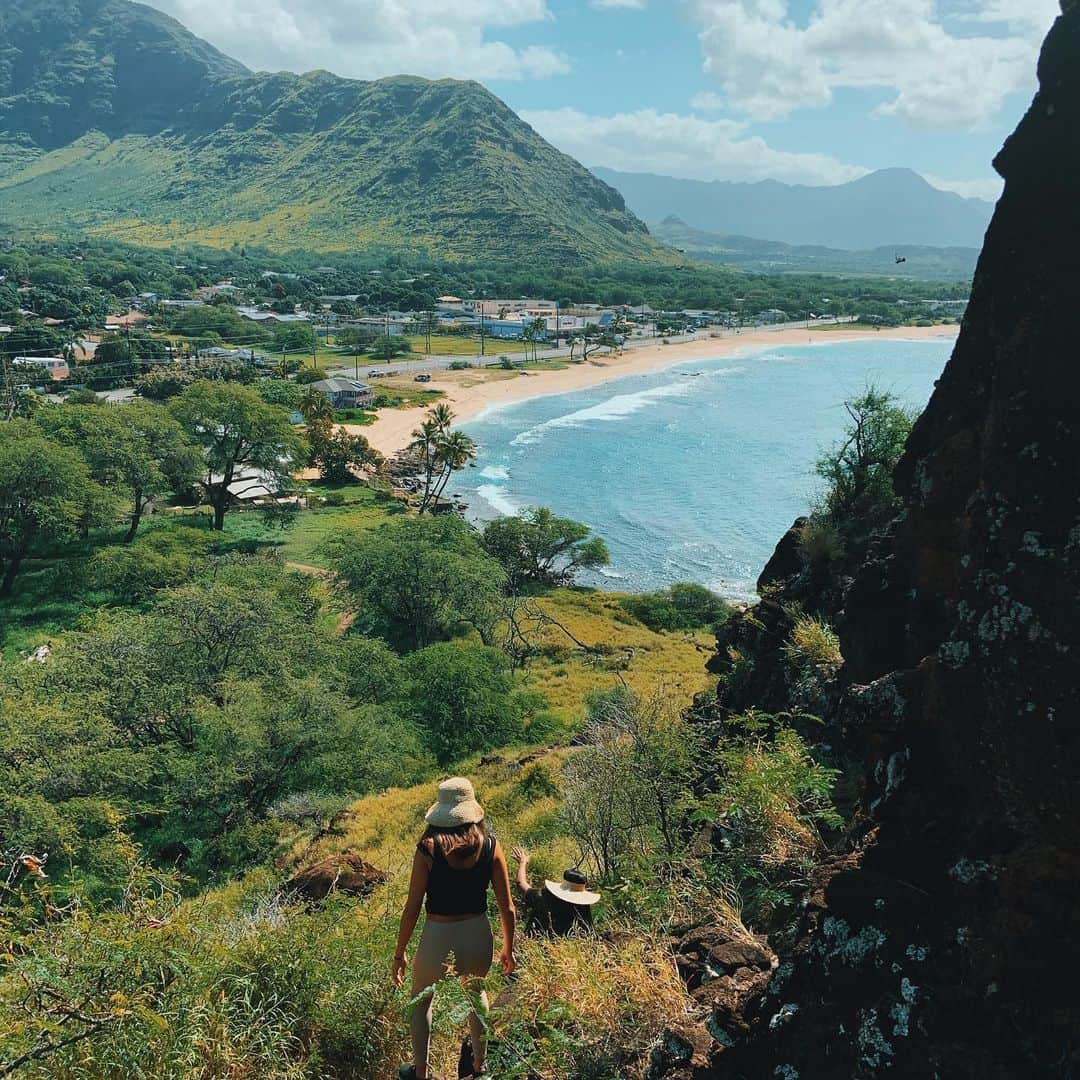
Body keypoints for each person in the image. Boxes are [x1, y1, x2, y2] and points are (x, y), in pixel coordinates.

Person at [394, 778, 516, 1080]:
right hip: (477, 932)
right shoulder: (490, 846)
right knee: (477, 995)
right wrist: (508, 948)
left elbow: (411, 909)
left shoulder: (427, 850)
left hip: (439, 933)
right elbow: (507, 907)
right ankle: (480, 1068)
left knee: (421, 1001)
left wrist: (399, 954)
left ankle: (420, 1072)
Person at [511, 846, 601, 936]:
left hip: (533, 946)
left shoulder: (542, 896)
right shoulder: (583, 907)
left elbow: (521, 884)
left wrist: (523, 863)